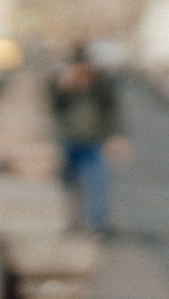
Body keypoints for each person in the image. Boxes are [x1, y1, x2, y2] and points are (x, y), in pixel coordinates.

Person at [50, 48, 126, 234]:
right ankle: (71, 222)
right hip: (70, 139)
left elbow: (112, 110)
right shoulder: (64, 86)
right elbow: (54, 105)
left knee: (97, 182)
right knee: (68, 185)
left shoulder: (100, 85)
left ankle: (98, 223)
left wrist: (116, 136)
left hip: (93, 140)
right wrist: (64, 86)